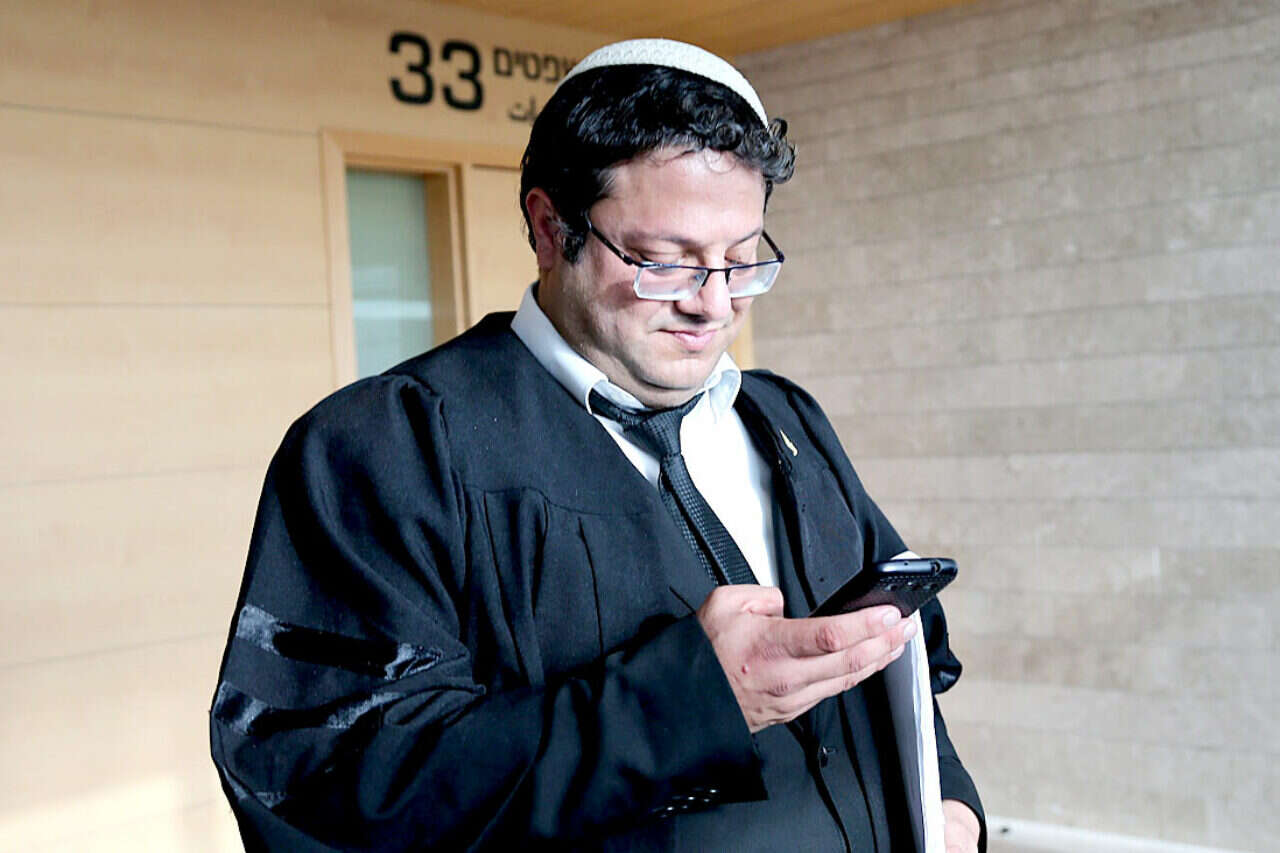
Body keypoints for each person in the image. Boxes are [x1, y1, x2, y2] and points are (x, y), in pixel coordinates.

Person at [210, 38, 985, 852]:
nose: (714, 304)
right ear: (551, 229)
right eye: (663, 262)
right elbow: (333, 786)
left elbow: (895, 657)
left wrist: (953, 805)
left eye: (741, 259)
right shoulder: (386, 449)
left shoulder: (787, 417)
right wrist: (685, 704)